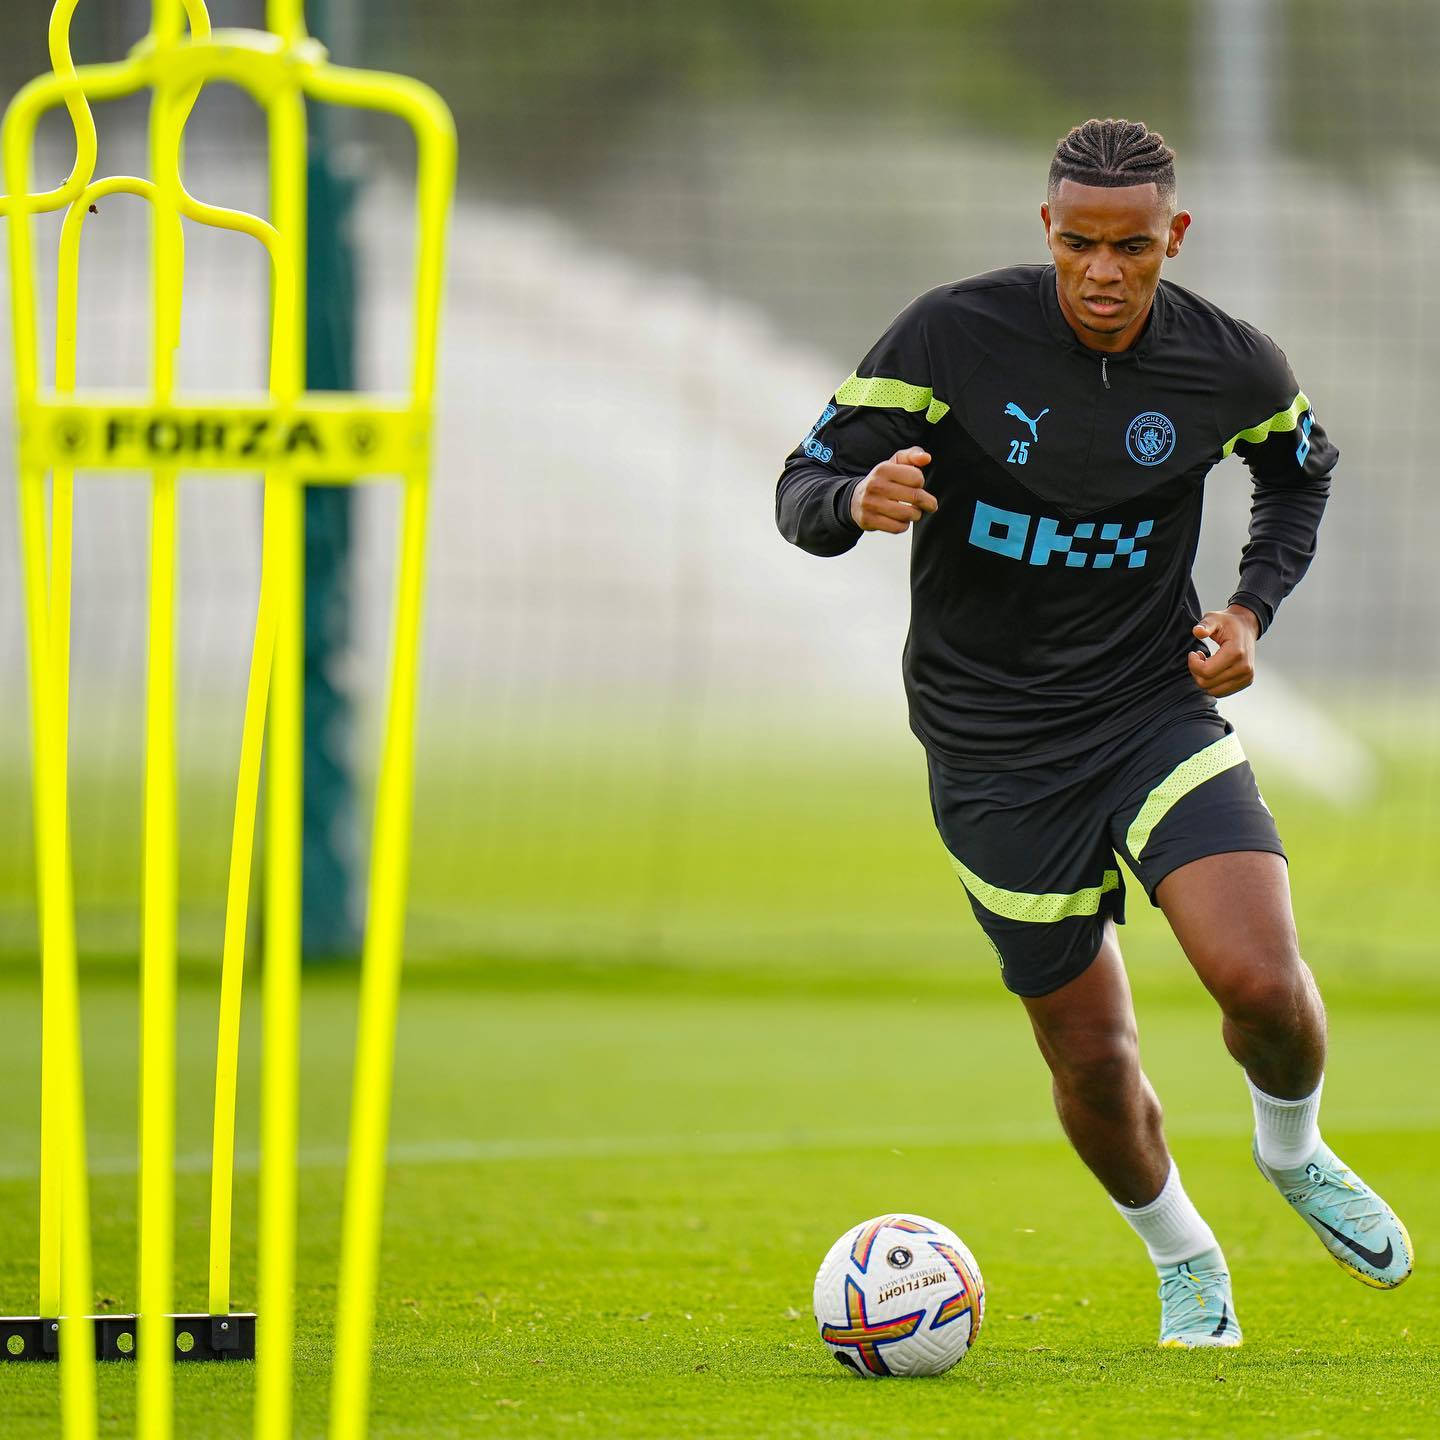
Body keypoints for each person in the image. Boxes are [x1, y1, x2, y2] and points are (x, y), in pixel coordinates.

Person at [775, 117, 1412, 1348]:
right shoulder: (948, 334)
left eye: (1132, 247)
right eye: (1080, 244)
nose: (1105, 272)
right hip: (990, 747)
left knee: (1262, 983)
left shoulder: (1232, 363)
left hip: (1149, 708)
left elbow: (1298, 472)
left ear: (1174, 238)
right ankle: (1185, 1257)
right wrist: (855, 500)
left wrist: (1247, 607)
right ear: (1048, 234)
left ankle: (1296, 1149)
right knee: (1095, 1058)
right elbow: (800, 487)